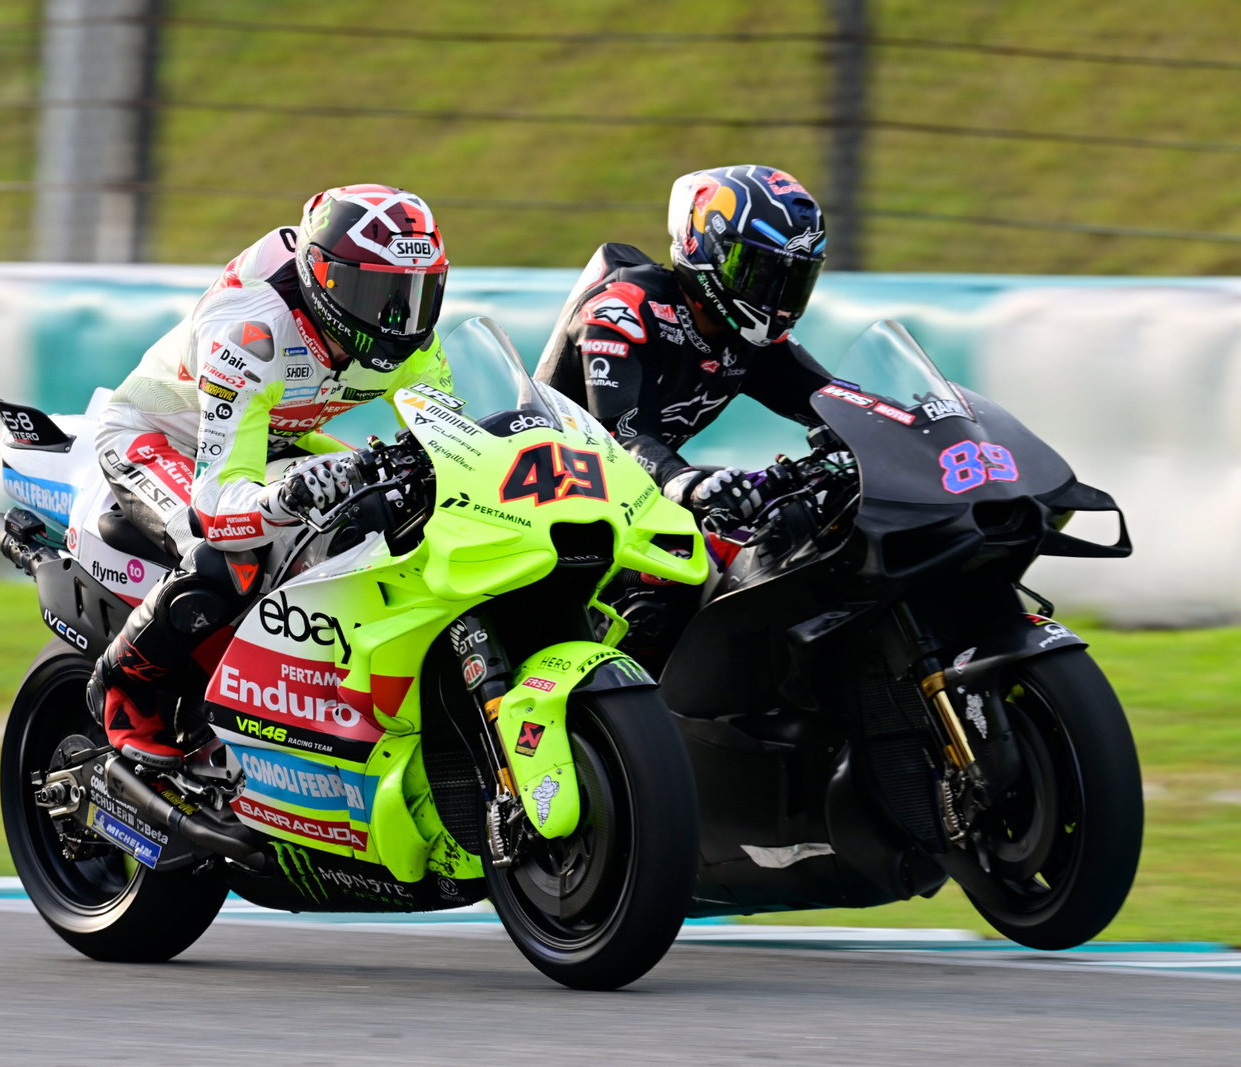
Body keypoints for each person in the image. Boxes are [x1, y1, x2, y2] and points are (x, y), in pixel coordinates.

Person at [87, 184, 451, 768]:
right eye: (376, 293)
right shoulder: (251, 335)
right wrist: (291, 496)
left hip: (277, 434)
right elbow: (214, 505)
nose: (396, 318)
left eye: (412, 294)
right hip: (160, 437)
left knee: (393, 515)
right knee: (232, 558)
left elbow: (447, 439)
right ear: (323, 279)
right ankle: (122, 686)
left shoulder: (414, 344)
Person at [533, 164, 834, 668]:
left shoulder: (754, 340)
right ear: (706, 251)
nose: (777, 300)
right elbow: (618, 434)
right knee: (671, 593)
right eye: (761, 273)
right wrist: (688, 483)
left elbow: (836, 402)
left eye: (791, 281)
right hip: (555, 504)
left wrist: (913, 429)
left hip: (644, 502)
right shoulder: (624, 308)